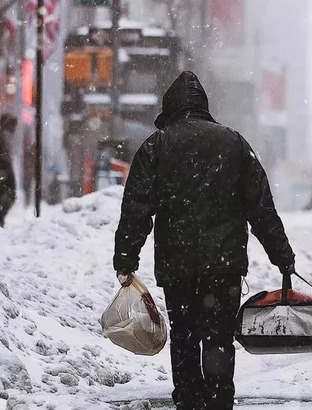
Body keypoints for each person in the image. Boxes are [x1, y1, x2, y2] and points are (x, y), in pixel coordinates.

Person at [113, 72, 295, 410]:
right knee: (218, 339)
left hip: (177, 265)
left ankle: (187, 399)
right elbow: (261, 207)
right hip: (222, 266)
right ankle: (218, 399)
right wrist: (282, 255)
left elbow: (136, 209)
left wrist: (125, 258)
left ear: (171, 108)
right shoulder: (234, 143)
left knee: (184, 338)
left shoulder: (157, 144)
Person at [0, 113, 17, 228]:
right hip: (3, 169)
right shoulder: (3, 136)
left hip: (5, 168)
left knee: (8, 195)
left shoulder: (6, 136)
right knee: (9, 194)